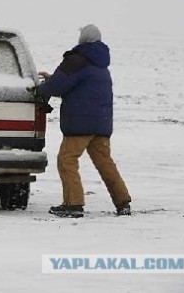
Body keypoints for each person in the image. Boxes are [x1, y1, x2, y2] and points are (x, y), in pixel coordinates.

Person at [36, 24, 131, 218]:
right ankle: (123, 201)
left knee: (67, 160)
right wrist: (54, 80)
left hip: (80, 124)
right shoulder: (101, 64)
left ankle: (73, 204)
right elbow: (79, 84)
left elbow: (57, 86)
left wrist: (41, 89)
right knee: (105, 162)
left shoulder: (76, 60)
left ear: (83, 38)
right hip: (101, 124)